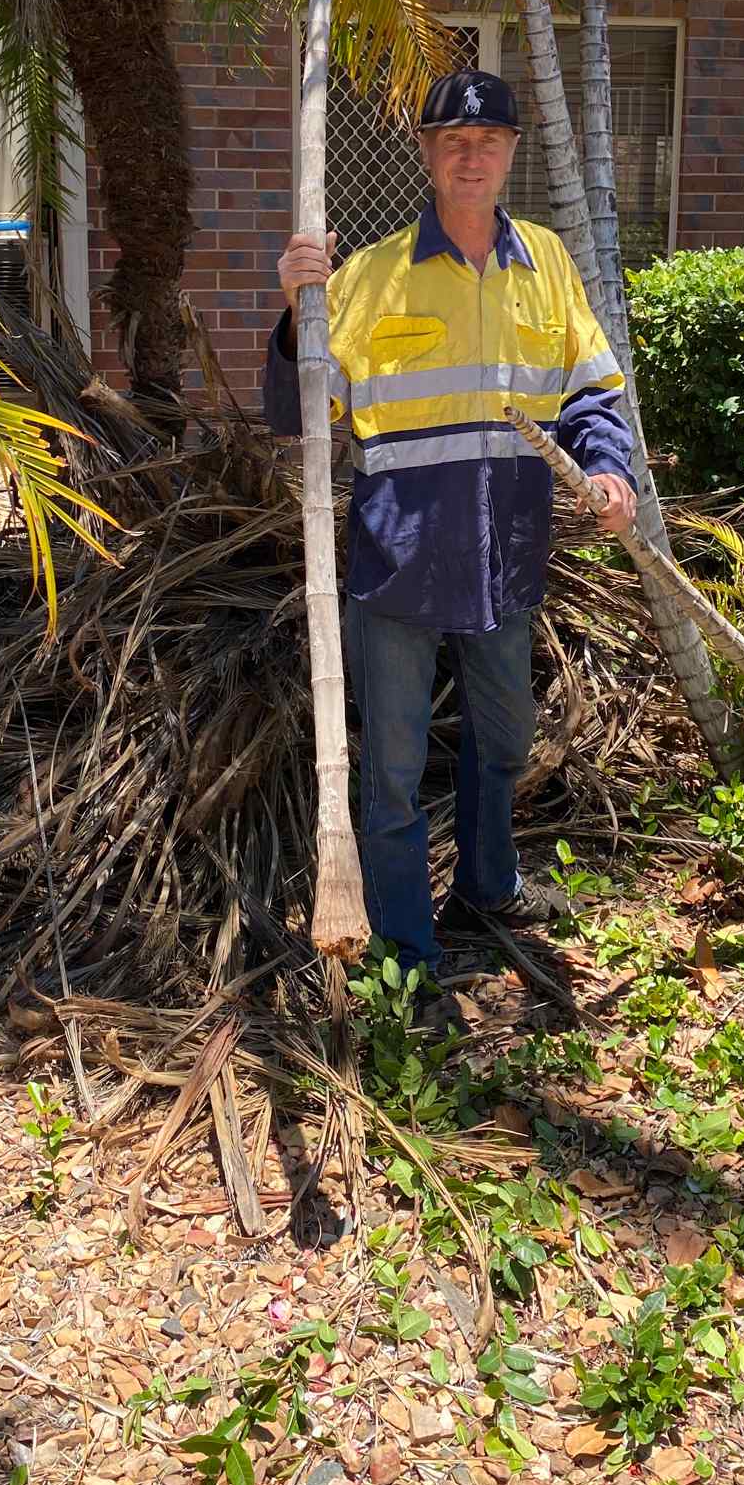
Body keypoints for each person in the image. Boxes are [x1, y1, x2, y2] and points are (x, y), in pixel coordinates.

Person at [263, 67, 637, 975]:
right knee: (390, 770)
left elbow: (591, 390)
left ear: (511, 155)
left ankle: (487, 886)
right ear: (428, 154)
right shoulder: (367, 279)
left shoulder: (546, 265)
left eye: (490, 143)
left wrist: (607, 466)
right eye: (454, 142)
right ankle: (407, 947)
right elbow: (298, 416)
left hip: (507, 558)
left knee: (502, 742)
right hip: (398, 565)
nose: (472, 156)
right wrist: (289, 313)